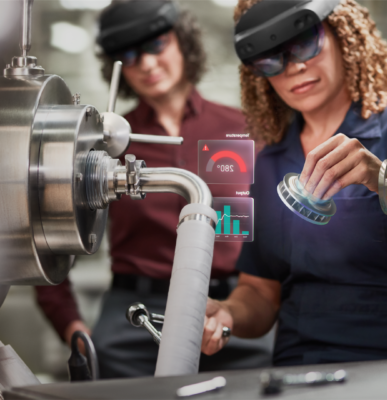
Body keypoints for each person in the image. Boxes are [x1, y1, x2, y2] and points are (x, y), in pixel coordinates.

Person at [35, 0, 271, 378]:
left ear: (184, 42)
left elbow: (274, 241)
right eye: (127, 55)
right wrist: (75, 330)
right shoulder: (99, 145)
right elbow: (48, 245)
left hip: (230, 311)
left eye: (155, 45)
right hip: (136, 317)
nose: (145, 63)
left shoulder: (243, 129)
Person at [202, 0, 387, 366]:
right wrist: (228, 314)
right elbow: (261, 292)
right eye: (270, 58)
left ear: (343, 36)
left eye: (304, 42)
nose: (294, 67)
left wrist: (384, 181)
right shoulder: (269, 163)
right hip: (299, 365)